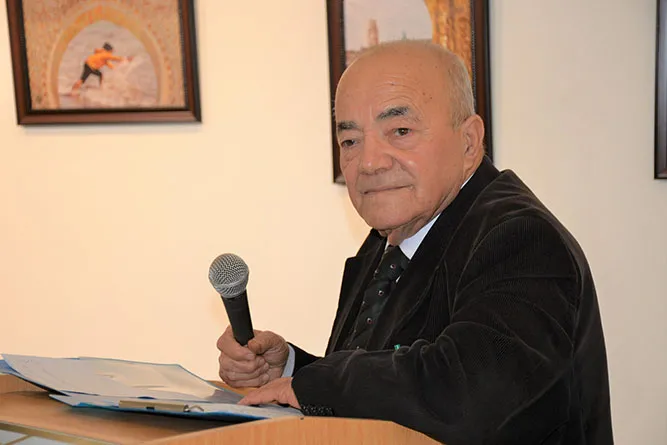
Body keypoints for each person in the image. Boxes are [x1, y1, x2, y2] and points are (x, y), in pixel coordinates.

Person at [216, 40, 613, 444]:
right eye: (350, 141)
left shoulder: (522, 239)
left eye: (400, 132)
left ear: (469, 142)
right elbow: (397, 386)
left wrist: (317, 384)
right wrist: (291, 372)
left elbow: (467, 396)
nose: (369, 162)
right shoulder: (391, 236)